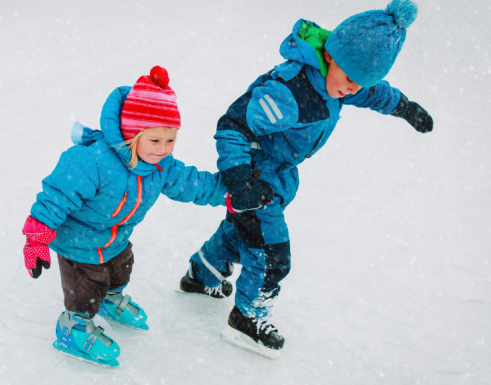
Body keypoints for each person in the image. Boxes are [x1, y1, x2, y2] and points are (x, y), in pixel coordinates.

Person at [176, 0, 434, 360]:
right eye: (348, 80)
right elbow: (234, 125)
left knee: (245, 231)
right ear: (331, 56)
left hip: (278, 175)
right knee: (272, 254)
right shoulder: (291, 91)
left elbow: (373, 92)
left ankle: (202, 271)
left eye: (359, 84)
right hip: (256, 176)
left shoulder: (342, 80)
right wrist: (239, 179)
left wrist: (403, 106)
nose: (350, 90)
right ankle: (247, 318)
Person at [22, 66, 231, 367]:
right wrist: (37, 240)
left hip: (115, 237)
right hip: (78, 241)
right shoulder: (92, 161)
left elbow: (191, 183)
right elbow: (55, 197)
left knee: (121, 268)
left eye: (170, 141)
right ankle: (73, 326)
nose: (163, 150)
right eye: (155, 141)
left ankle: (108, 299)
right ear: (132, 136)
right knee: (88, 284)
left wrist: (229, 193)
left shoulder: (161, 166)